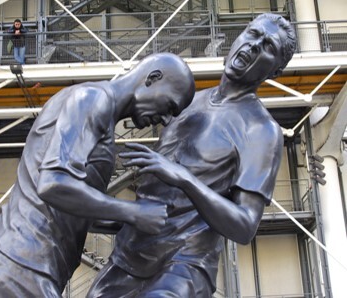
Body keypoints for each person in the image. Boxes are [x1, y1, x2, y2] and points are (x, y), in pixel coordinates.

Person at [87, 13, 296, 298]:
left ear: (275, 71)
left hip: (184, 265)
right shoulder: (187, 101)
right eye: (252, 34)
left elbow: (245, 226)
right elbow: (160, 205)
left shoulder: (261, 130)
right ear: (238, 37)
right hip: (129, 257)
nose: (253, 46)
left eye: (268, 46)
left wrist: (183, 178)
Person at [0, 52, 195, 297]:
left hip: (33, 266)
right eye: (170, 106)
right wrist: (133, 212)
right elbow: (52, 184)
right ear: (153, 78)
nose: (166, 119)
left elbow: (72, 210)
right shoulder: (92, 99)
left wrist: (134, 222)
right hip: (21, 262)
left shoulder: (100, 112)